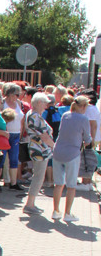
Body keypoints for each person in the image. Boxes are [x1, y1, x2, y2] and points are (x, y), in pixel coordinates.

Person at [51, 95, 92, 223]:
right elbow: (87, 139)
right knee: (71, 185)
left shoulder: (65, 116)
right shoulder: (84, 119)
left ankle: (55, 211)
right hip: (72, 153)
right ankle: (67, 213)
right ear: (83, 106)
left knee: (58, 184)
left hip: (58, 151)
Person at [23, 93, 54, 214]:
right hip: (40, 150)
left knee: (38, 176)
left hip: (38, 148)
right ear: (39, 103)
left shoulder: (32, 114)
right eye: (45, 103)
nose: (46, 106)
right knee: (39, 177)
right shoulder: (35, 116)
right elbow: (44, 135)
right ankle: (29, 204)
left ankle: (31, 203)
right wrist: (54, 146)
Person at [2, 83, 25, 192]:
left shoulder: (18, 103)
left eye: (16, 95)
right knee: (2, 159)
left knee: (14, 158)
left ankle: (13, 182)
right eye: (11, 95)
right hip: (5, 134)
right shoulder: (3, 103)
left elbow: (21, 119)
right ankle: (0, 181)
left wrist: (21, 131)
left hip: (16, 134)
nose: (13, 98)